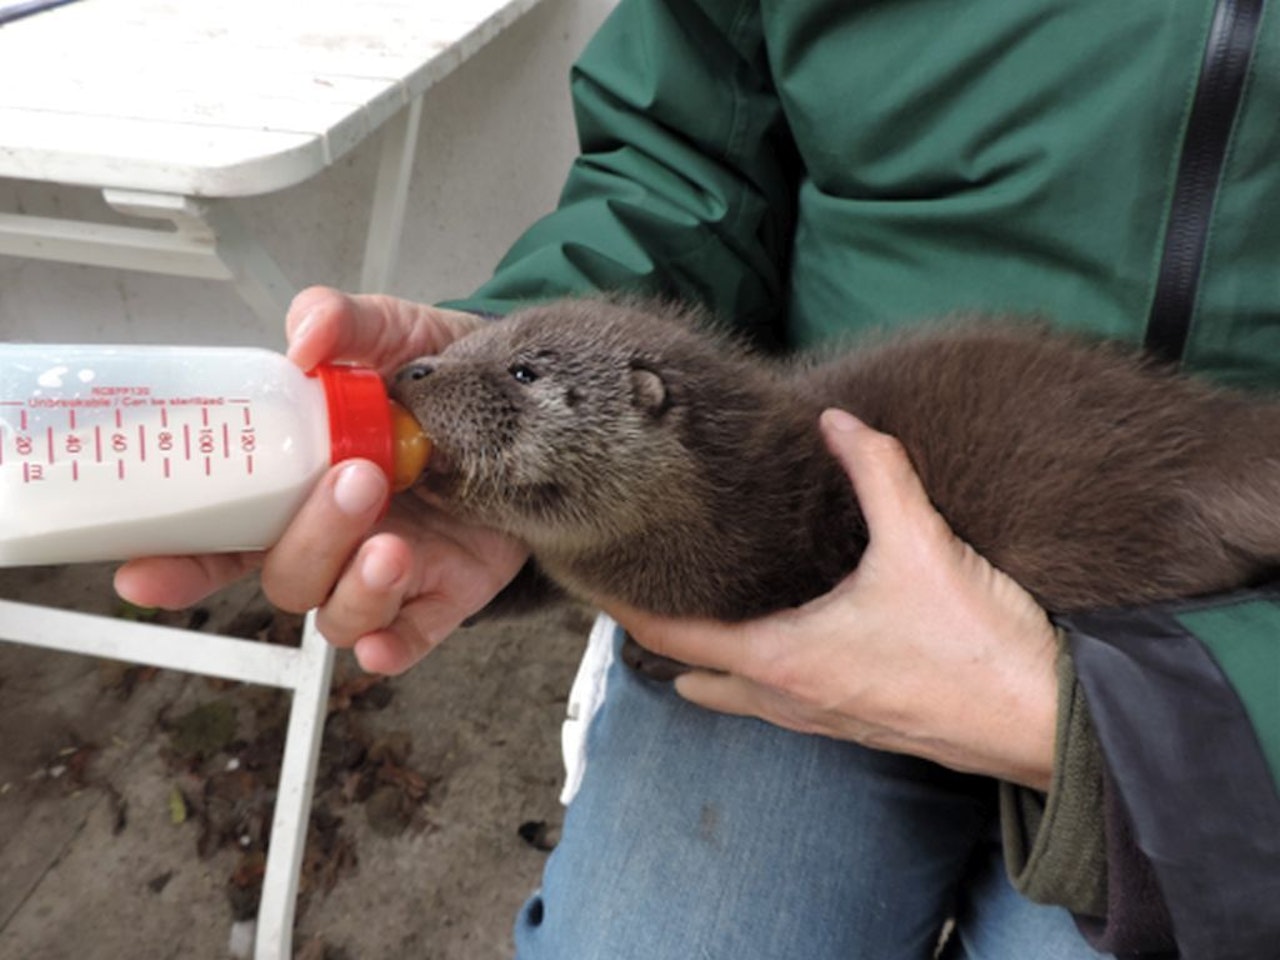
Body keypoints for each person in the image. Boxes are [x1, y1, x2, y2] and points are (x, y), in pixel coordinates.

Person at [116, 1, 1280, 957]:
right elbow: (688, 149)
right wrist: (498, 414)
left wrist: (1099, 731)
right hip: (791, 552)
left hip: (1195, 674)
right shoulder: (685, 462)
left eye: (508, 377)